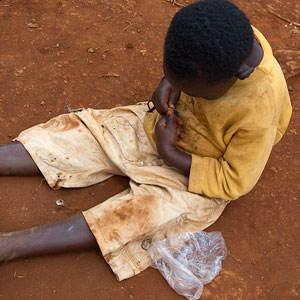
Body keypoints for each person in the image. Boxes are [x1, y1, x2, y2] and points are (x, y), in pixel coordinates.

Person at [0, 0, 292, 281]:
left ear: (238, 76)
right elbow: (190, 66)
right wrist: (170, 84)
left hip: (202, 174)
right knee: (88, 135)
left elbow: (236, 181)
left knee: (137, 216)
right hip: (165, 126)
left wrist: (170, 153)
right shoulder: (224, 37)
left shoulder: (259, 109)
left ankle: (11, 245)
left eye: (197, 92)